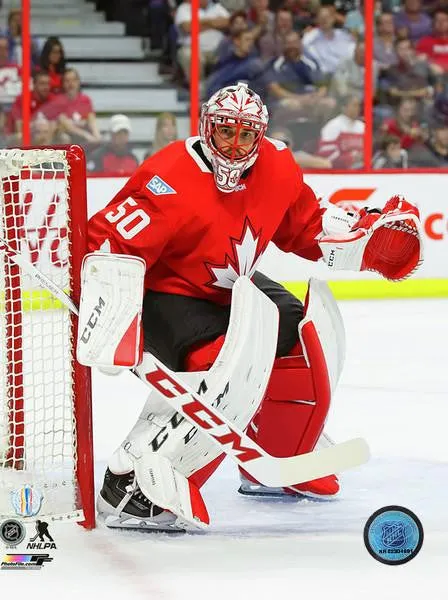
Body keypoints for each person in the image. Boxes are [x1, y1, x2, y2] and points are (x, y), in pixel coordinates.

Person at [88, 82, 422, 532]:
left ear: (260, 136)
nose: (233, 145)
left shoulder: (278, 165)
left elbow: (301, 225)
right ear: (207, 127)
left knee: (300, 335)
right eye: (224, 132)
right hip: (168, 294)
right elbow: (108, 247)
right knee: (223, 364)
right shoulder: (167, 176)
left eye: (246, 135)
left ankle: (283, 450)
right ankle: (129, 485)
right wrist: (110, 312)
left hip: (231, 287)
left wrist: (363, 244)